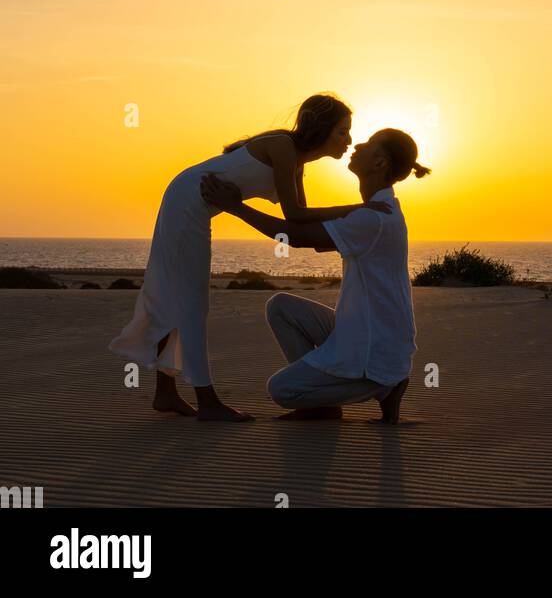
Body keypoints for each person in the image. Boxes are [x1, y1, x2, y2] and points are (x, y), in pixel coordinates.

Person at [109, 93, 389, 422]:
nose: (349, 140)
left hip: (189, 203)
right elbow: (296, 213)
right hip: (186, 203)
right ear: (322, 128)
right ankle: (207, 400)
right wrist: (359, 208)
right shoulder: (284, 147)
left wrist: (357, 212)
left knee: (179, 300)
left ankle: (165, 393)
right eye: (342, 131)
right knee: (192, 304)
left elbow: (295, 222)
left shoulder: (293, 159)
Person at [201, 127, 430, 424]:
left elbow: (294, 237)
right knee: (282, 307)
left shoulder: (372, 218)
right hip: (366, 332)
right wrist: (295, 170)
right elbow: (304, 225)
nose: (357, 144)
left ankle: (382, 386)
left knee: (281, 390)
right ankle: (333, 398)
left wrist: (236, 208)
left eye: (369, 144)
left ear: (380, 163)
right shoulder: (377, 211)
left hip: (375, 349)